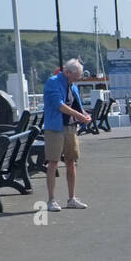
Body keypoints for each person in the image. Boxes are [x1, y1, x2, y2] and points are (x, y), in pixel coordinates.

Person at [41, 59, 92, 212]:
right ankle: (51, 200)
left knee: (71, 162)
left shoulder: (72, 85)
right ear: (68, 72)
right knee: (53, 163)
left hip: (70, 127)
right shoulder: (53, 82)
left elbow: (76, 105)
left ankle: (71, 198)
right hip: (55, 128)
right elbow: (59, 105)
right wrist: (80, 115)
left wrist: (84, 115)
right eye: (76, 75)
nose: (78, 78)